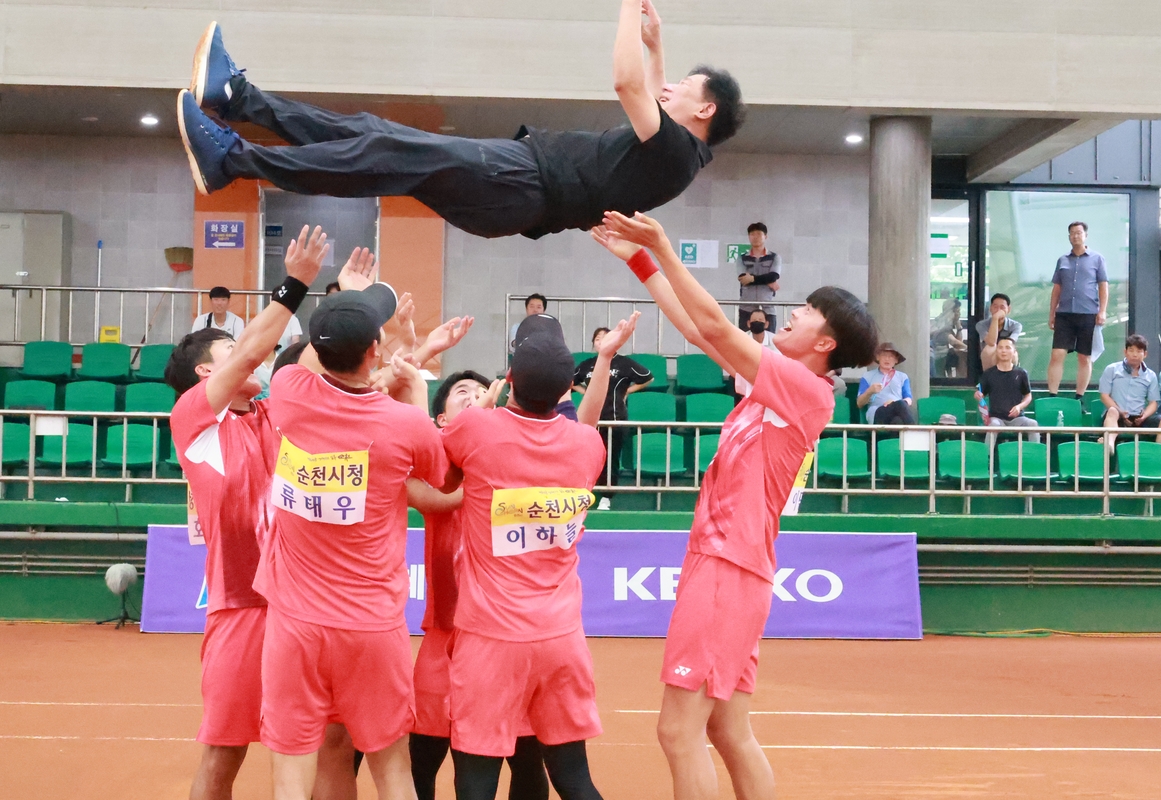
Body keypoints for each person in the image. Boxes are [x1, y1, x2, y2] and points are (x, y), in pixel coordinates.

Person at [591, 210, 878, 800]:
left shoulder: (807, 390)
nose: (791, 313)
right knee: (725, 728)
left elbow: (719, 330)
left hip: (729, 563)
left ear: (825, 343)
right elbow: (700, 333)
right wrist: (641, 262)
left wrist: (666, 248)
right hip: (730, 564)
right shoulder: (769, 382)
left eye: (805, 311)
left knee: (677, 731)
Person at [178, 3, 744, 240]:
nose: (669, 88)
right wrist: (656, 41)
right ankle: (236, 97)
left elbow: (628, 86)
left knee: (384, 154)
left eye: (685, 88)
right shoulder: (675, 153)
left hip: (523, 186)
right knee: (376, 134)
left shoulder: (675, 155)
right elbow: (650, 87)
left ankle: (230, 161)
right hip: (518, 178)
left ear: (705, 110)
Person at [166, 226, 358, 800]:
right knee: (225, 754)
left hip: (306, 608)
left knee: (334, 742)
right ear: (207, 372)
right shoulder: (194, 418)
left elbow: (320, 363)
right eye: (229, 351)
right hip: (243, 609)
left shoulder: (276, 412)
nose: (257, 353)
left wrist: (344, 302)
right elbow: (255, 345)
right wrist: (296, 282)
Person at [255, 277, 450, 800]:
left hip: (294, 626)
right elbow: (440, 477)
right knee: (392, 771)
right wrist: (419, 394)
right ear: (374, 350)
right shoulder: (406, 425)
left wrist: (361, 304)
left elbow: (315, 359)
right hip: (371, 627)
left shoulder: (290, 394)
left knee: (290, 775)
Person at [436, 312, 608, 800]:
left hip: (491, 638)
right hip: (561, 638)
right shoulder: (587, 445)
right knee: (574, 778)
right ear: (564, 392)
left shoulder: (476, 430)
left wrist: (479, 410)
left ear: (508, 378)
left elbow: (442, 477)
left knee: (476, 780)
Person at [405, 371, 550, 800]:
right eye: (460, 394)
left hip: (506, 641)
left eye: (479, 392)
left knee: (526, 760)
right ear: (440, 420)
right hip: (444, 642)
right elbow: (423, 453)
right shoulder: (439, 477)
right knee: (421, 762)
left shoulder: (513, 468)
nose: (473, 398)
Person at [573, 327, 653, 495]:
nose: (601, 341)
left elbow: (648, 377)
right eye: (597, 339)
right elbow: (570, 381)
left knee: (611, 458)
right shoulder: (587, 365)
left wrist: (627, 392)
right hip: (590, 419)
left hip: (614, 418)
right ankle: (585, 493)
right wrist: (585, 392)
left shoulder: (624, 363)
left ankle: (607, 496)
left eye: (605, 338)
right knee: (588, 457)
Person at [1048, 221, 1109, 401]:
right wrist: (1052, 312)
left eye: (1079, 233)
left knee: (1084, 357)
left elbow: (1103, 286)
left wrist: (1102, 311)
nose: (1075, 236)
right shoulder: (1062, 260)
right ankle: (1052, 395)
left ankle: (1079, 397)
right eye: (1072, 233)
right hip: (1065, 314)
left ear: (1085, 235)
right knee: (1057, 354)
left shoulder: (1097, 259)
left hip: (1088, 313)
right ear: (1069, 237)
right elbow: (1057, 288)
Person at [1099, 334, 1161, 453]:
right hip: (1117, 415)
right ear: (1125, 352)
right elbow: (1104, 395)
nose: (1134, 354)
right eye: (1131, 350)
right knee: (1112, 411)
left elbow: (1154, 403)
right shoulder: (1112, 369)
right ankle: (1109, 444)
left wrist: (1144, 416)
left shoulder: (1151, 375)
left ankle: (1158, 458)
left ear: (1145, 354)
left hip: (1139, 418)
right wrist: (1120, 411)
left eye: (1139, 351)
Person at [977, 336, 1038, 448]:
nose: (1003, 351)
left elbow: (1028, 396)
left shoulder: (1021, 373)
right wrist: (978, 395)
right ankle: (986, 458)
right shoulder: (989, 374)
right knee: (993, 426)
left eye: (1007, 348)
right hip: (997, 418)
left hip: (1018, 418)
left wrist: (1019, 407)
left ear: (1014, 351)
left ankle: (1035, 457)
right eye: (1000, 348)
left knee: (1033, 424)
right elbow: (980, 393)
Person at [857, 343, 915, 425]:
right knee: (900, 406)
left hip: (898, 412)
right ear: (878, 357)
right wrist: (869, 391)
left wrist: (894, 404)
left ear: (896, 360)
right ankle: (917, 434)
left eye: (891, 356)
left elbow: (908, 399)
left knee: (897, 420)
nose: (887, 359)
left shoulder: (903, 376)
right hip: (877, 413)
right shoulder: (867, 376)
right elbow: (859, 403)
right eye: (884, 355)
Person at [737, 223, 780, 332]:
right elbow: (743, 278)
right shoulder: (742, 258)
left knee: (769, 341)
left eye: (759, 234)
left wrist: (753, 279)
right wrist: (767, 281)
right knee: (744, 342)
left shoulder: (774, 257)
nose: (755, 237)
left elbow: (774, 275)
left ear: (765, 236)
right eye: (752, 234)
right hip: (746, 307)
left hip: (767, 307)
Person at [729, 308, 778, 401]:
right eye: (754, 321)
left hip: (768, 377)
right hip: (746, 374)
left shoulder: (776, 340)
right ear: (748, 323)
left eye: (760, 320)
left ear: (766, 324)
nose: (757, 322)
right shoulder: (741, 339)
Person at [976, 293, 1023, 371]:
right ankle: (989, 378)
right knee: (989, 349)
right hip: (988, 358)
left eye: (1002, 307)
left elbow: (1009, 343)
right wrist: (995, 319)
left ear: (1008, 309)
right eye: (995, 307)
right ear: (990, 308)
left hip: (1006, 354)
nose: (998, 310)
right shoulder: (981, 325)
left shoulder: (1016, 325)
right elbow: (991, 342)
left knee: (1010, 351)